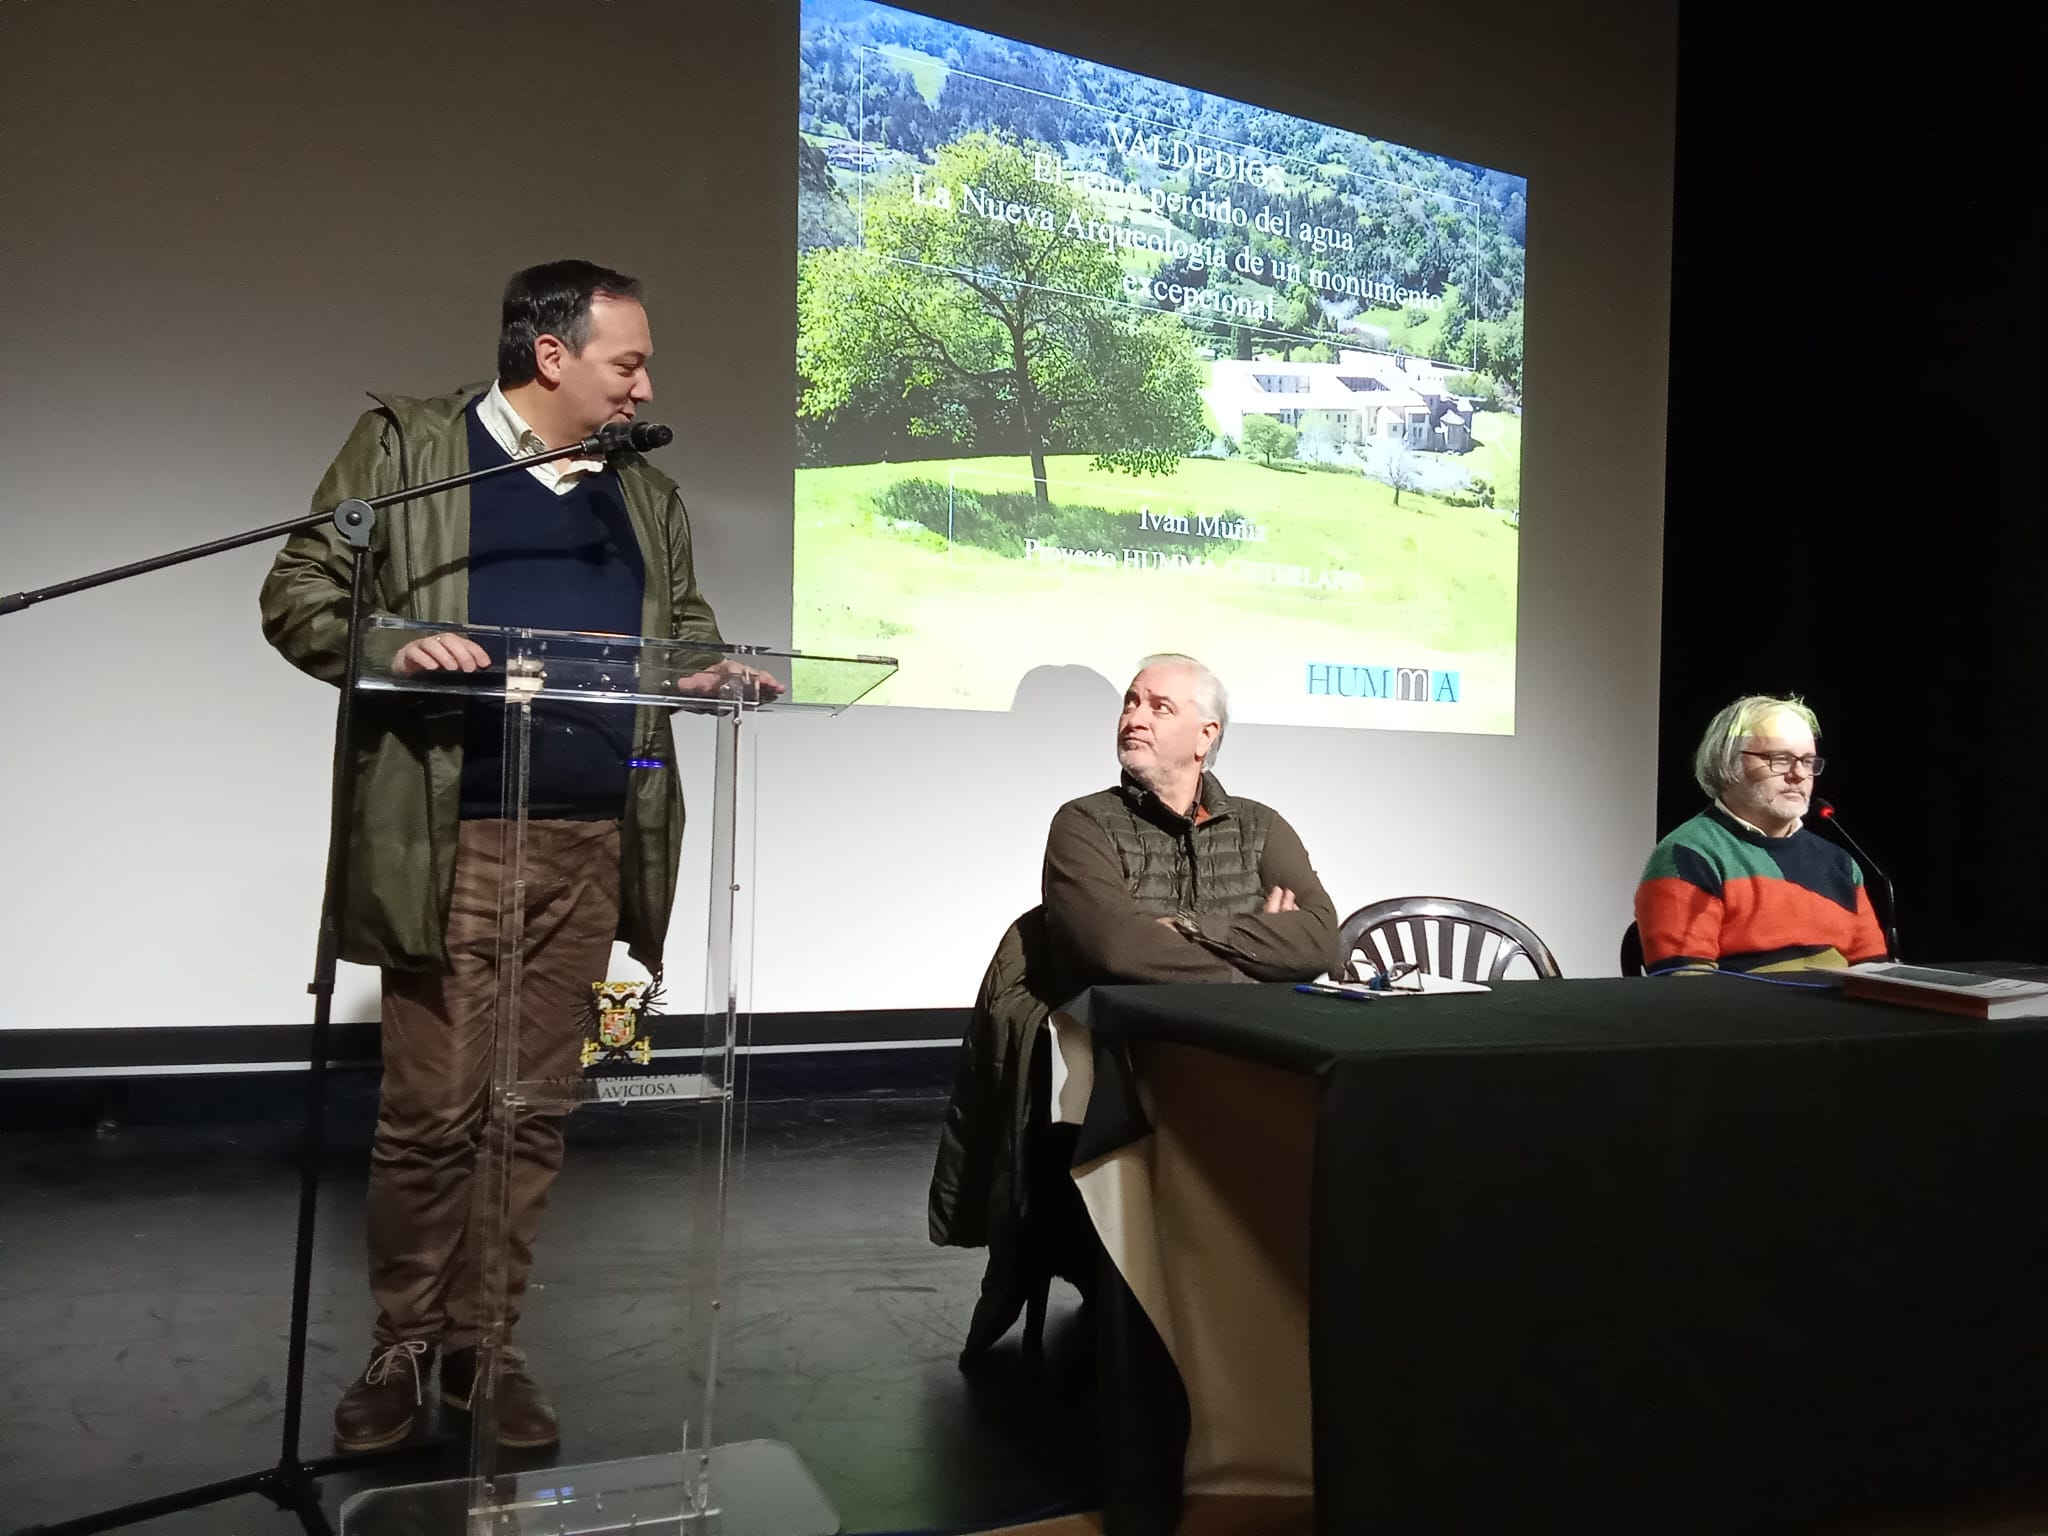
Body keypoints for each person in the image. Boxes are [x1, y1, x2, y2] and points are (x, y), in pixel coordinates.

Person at [260, 259, 764, 1453]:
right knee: (433, 1112)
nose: (644, 386)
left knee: (535, 1109)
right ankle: (403, 1344)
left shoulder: (647, 496)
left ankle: (486, 1345)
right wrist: (392, 641)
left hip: (595, 842)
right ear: (551, 355)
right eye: (626, 362)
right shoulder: (406, 450)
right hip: (452, 836)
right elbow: (297, 594)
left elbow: (680, 626)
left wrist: (704, 668)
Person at [929, 654, 1340, 1355]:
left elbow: (1320, 942)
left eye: (1158, 707)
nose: (1134, 717)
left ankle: (1259, 1293)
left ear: (1205, 735)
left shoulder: (1262, 827)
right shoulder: (1084, 824)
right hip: (1121, 1052)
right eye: (1129, 702)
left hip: (1239, 1049)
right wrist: (1257, 953)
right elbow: (1117, 951)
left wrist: (1182, 930)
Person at [1634, 693, 1886, 974]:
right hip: (1743, 1017)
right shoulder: (1688, 854)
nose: (1798, 774)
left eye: (1807, 761)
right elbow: (1686, 984)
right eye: (1779, 759)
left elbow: (1873, 973)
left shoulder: (1838, 862)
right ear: (1728, 763)